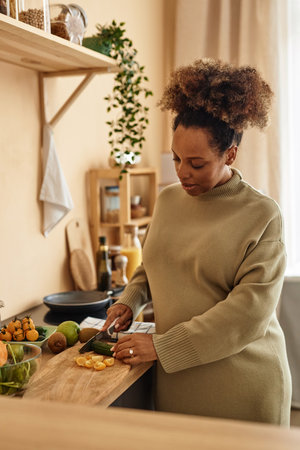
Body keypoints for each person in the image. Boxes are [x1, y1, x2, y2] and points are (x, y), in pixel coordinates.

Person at [102, 58, 292, 425]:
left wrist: (161, 345)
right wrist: (130, 300)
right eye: (176, 158)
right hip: (178, 384)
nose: (182, 173)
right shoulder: (169, 200)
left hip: (244, 389)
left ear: (230, 155)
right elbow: (154, 264)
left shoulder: (262, 215)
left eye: (196, 163)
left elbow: (248, 314)